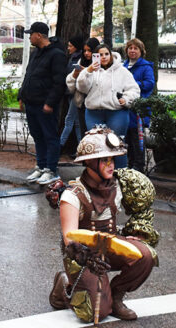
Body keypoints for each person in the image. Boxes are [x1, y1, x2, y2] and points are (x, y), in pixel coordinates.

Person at [48, 127, 156, 322]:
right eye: (104, 160)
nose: (111, 164)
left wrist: (135, 234)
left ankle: (115, 297)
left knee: (146, 255)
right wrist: (87, 259)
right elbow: (69, 239)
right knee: (95, 313)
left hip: (109, 246)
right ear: (89, 162)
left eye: (112, 159)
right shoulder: (72, 195)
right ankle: (64, 287)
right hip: (82, 256)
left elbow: (142, 210)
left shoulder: (118, 186)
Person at [19, 22, 68, 185]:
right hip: (31, 102)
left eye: (31, 34)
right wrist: (21, 95)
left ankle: (51, 169)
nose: (29, 37)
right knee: (37, 135)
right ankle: (41, 166)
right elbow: (29, 74)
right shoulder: (35, 53)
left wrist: (50, 102)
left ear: (39, 35)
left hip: (45, 105)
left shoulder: (57, 55)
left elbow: (59, 82)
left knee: (50, 136)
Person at [76, 44, 139, 169]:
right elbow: (81, 88)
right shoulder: (91, 70)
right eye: (99, 55)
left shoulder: (122, 71)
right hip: (93, 112)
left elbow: (134, 89)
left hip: (116, 112)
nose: (103, 57)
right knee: (96, 145)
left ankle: (120, 176)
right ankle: (98, 176)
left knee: (117, 145)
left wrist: (126, 99)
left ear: (110, 55)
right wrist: (87, 72)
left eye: (106, 54)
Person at [123, 38, 155, 172]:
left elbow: (149, 83)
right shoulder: (123, 66)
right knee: (127, 141)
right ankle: (129, 166)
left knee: (138, 141)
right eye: (130, 48)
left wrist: (133, 85)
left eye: (135, 48)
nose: (132, 51)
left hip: (138, 111)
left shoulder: (146, 67)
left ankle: (138, 167)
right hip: (125, 109)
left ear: (141, 51)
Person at [59, 35, 85, 152]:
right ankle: (81, 148)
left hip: (76, 94)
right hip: (70, 93)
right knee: (76, 123)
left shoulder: (79, 59)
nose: (68, 48)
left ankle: (60, 145)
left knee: (69, 120)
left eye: (70, 46)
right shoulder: (72, 58)